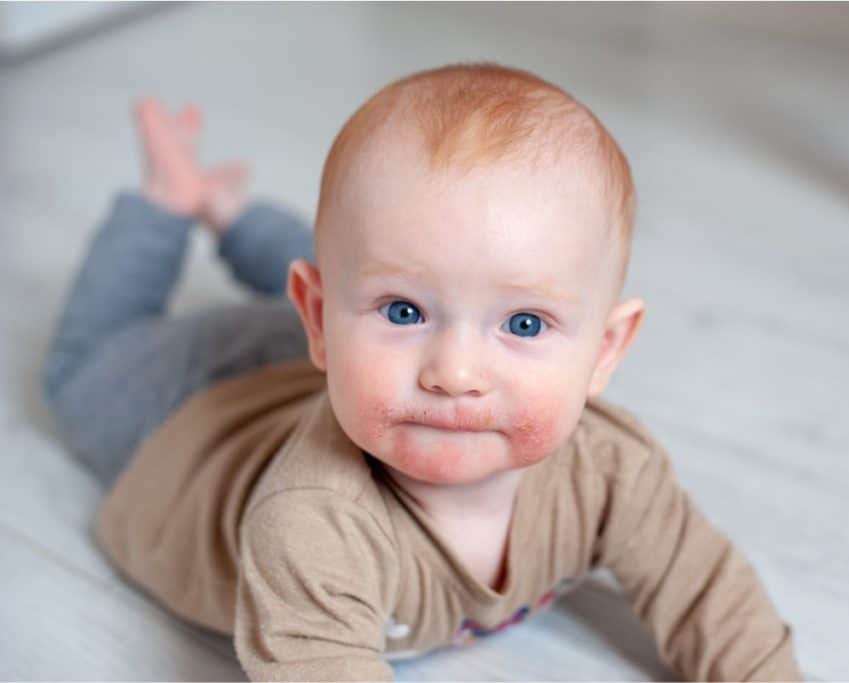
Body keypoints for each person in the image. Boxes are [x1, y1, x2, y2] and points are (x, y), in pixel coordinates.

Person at [41, 63, 801, 681]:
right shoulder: (313, 523)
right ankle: (169, 204)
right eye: (406, 315)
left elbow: (709, 595)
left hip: (339, 364)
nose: (455, 371)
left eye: (524, 323)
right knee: (80, 375)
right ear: (319, 322)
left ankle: (243, 220)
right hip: (190, 424)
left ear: (605, 349)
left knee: (397, 261)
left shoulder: (610, 475)